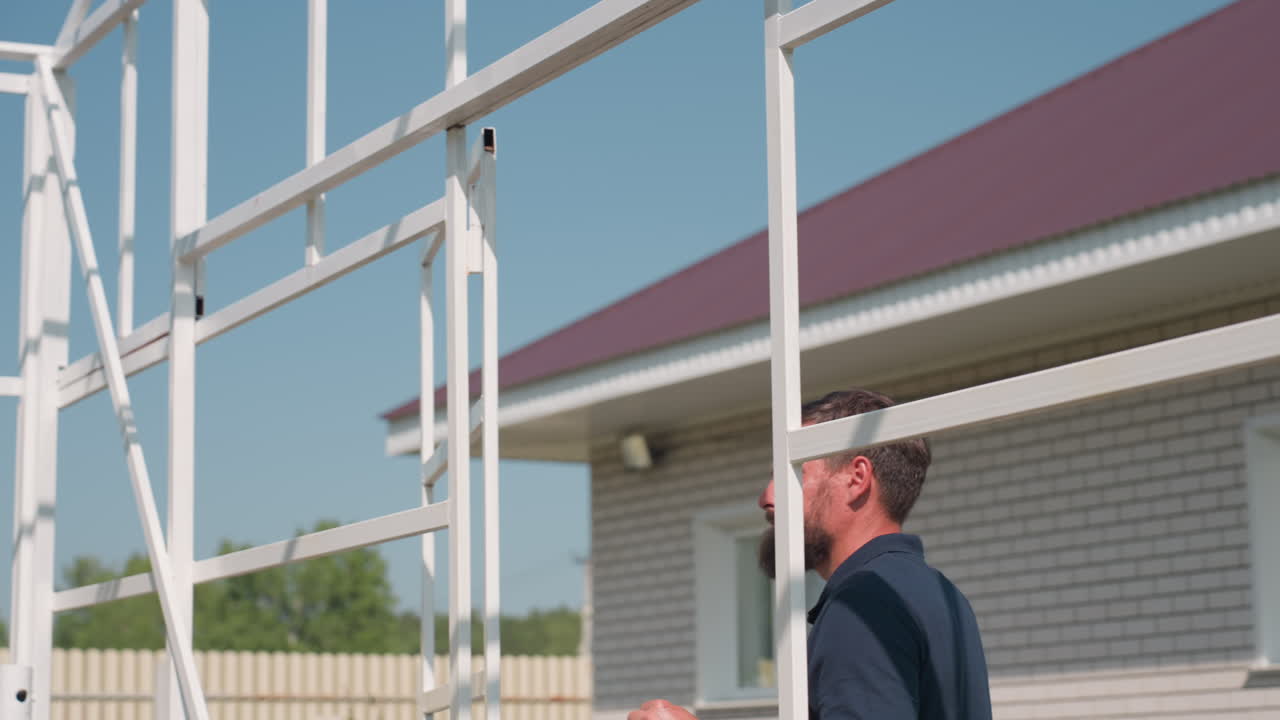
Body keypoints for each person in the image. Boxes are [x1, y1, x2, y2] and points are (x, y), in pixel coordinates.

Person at [628, 389, 992, 720]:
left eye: (793, 474)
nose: (767, 496)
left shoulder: (864, 603)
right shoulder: (940, 595)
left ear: (856, 478)